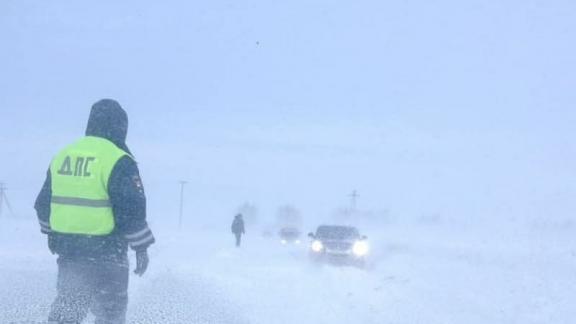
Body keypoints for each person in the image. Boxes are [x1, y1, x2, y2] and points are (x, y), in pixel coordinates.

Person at [34, 99, 155, 324]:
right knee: (110, 315)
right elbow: (131, 210)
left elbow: (43, 204)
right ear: (120, 127)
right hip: (107, 254)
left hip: (70, 252)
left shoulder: (63, 156)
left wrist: (51, 233)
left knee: (67, 312)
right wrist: (141, 247)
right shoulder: (118, 159)